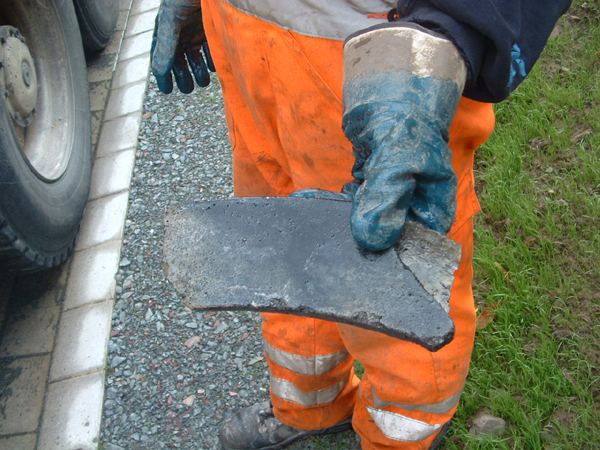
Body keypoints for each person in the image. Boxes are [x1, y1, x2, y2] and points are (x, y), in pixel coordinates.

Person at [151, 1, 572, 449]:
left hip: (371, 56)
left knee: (392, 282)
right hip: (240, 29)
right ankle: (310, 405)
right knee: (282, 251)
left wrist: (450, 29)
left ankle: (398, 436)